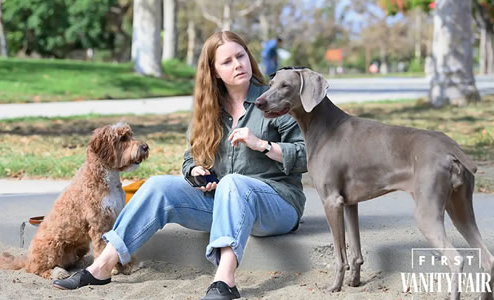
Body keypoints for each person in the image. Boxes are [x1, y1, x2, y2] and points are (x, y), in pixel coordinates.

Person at [52, 31, 307, 300]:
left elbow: (305, 155)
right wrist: (196, 171)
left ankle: (225, 281)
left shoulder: (275, 98)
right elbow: (191, 157)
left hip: (277, 204)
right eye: (227, 61)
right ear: (215, 72)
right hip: (224, 202)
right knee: (158, 185)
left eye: (241, 56)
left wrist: (261, 144)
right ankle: (101, 266)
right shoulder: (209, 109)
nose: (238, 65)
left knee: (233, 184)